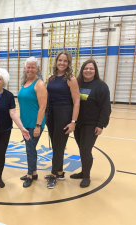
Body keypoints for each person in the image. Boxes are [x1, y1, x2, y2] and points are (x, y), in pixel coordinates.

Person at [71, 59, 111, 187]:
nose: (88, 71)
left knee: (85, 150)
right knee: (82, 149)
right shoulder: (77, 83)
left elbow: (105, 108)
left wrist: (101, 125)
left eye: (91, 69)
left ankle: (86, 176)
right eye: (86, 68)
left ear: (95, 71)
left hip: (91, 124)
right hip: (78, 123)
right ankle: (83, 172)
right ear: (82, 70)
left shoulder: (101, 86)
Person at [45, 50, 80, 189]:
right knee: (55, 144)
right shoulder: (51, 78)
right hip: (51, 113)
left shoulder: (71, 79)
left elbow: (77, 101)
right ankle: (59, 172)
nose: (62, 63)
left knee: (59, 145)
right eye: (60, 60)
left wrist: (73, 121)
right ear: (56, 61)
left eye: (65, 61)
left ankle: (53, 175)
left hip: (64, 113)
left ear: (68, 63)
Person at [17, 56, 47, 188]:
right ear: (25, 68)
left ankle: (29, 175)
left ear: (37, 69)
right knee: (31, 149)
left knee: (29, 149)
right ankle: (34, 172)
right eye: (28, 67)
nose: (30, 69)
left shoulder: (39, 84)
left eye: (32, 67)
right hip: (25, 123)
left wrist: (38, 126)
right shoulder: (25, 83)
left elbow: (42, 107)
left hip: (34, 124)